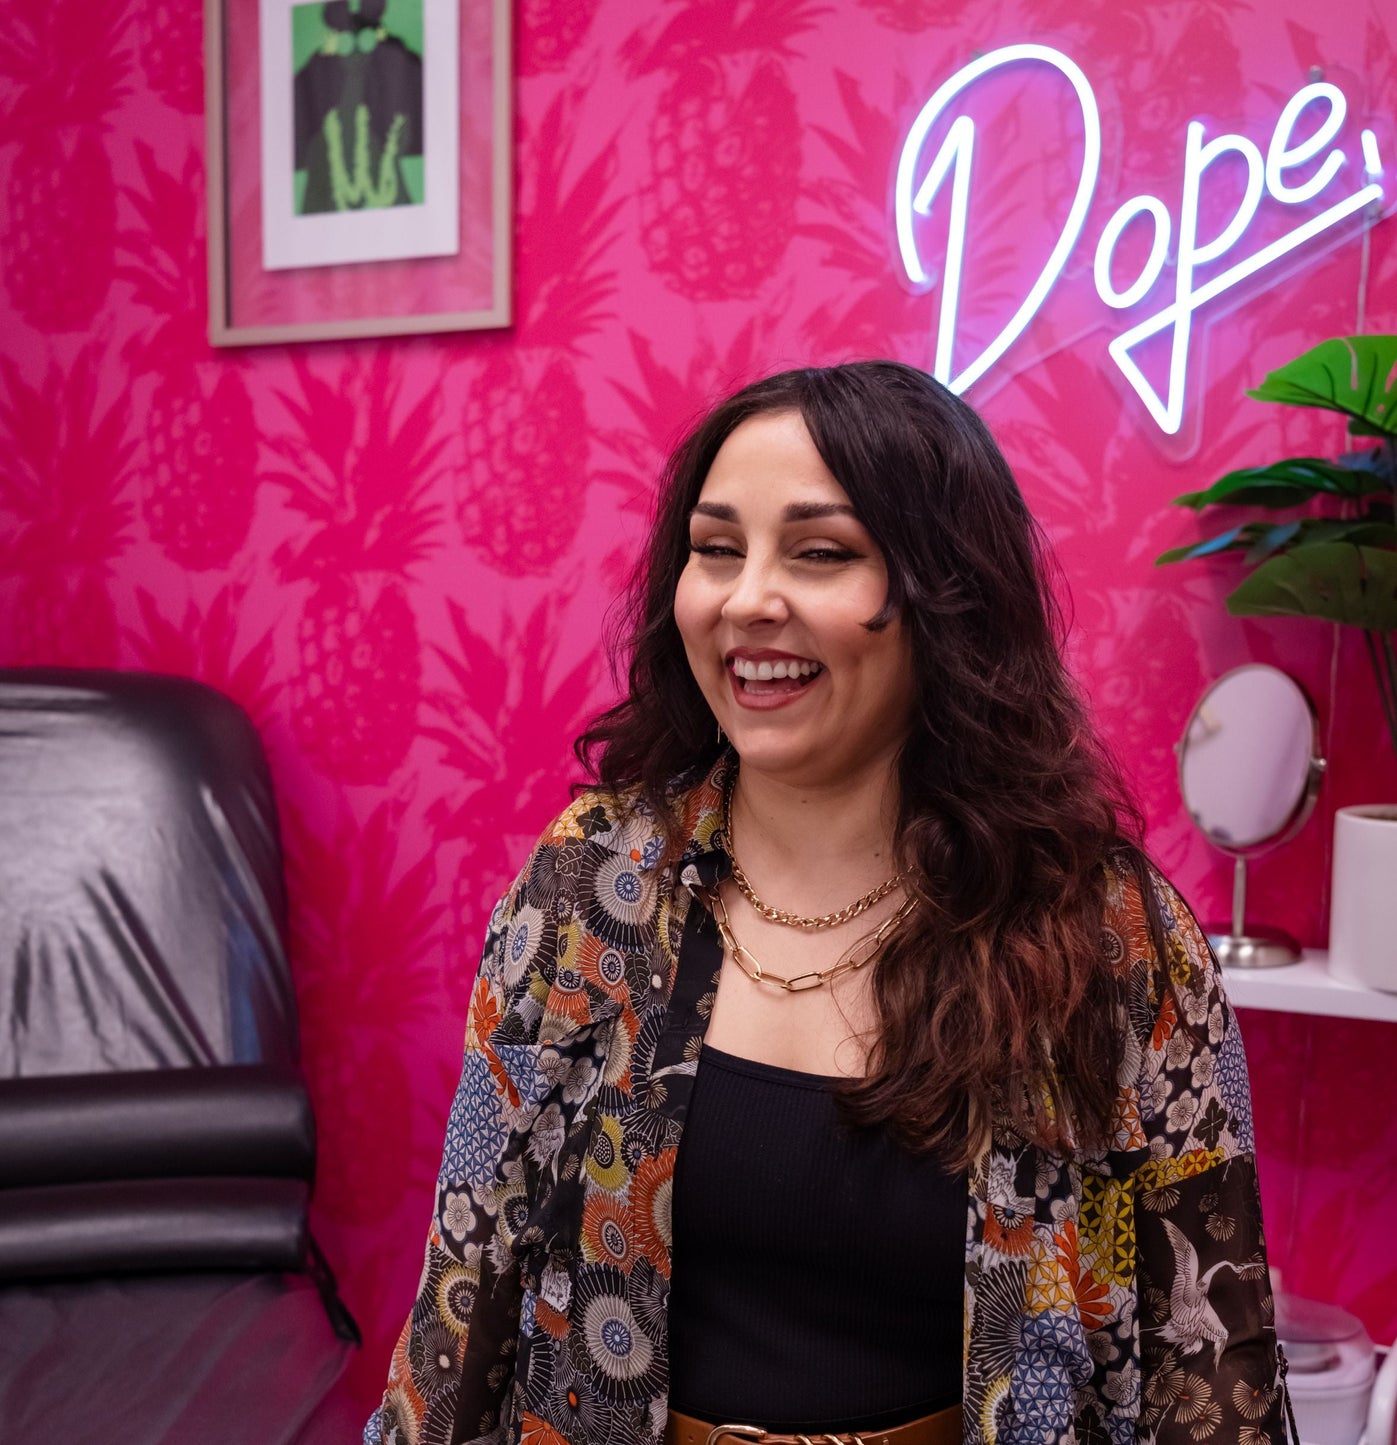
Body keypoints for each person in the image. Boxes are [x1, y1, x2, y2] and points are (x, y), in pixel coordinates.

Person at [366, 362, 1291, 1445]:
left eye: (819, 551)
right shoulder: (588, 888)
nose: (749, 596)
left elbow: (1212, 1363)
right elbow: (462, 1292)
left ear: (946, 595)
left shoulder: (1106, 934)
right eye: (716, 548)